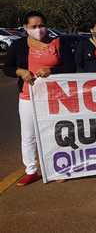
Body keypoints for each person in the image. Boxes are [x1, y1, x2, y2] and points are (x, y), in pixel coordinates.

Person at [3, 11, 75, 186]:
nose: (38, 30)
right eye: (33, 27)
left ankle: (59, 168)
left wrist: (52, 71)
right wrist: (20, 72)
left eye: (41, 25)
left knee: (56, 133)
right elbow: (8, 68)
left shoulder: (58, 43)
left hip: (55, 97)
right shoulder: (18, 45)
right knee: (28, 135)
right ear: (26, 28)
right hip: (28, 96)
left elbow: (71, 66)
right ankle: (31, 171)